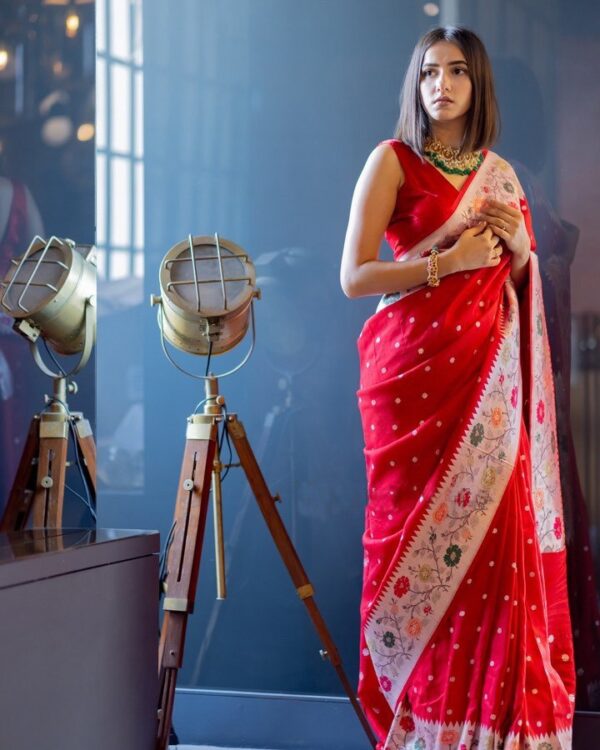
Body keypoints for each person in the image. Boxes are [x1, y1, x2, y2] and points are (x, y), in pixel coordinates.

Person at [340, 26, 575, 750]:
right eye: (429, 73)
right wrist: (445, 260)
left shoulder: (500, 176)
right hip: (411, 382)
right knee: (414, 546)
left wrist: (515, 253)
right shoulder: (392, 162)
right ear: (414, 85)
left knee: (494, 554)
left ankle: (492, 728)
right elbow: (354, 277)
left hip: (489, 392)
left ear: (479, 87)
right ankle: (425, 726)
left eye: (457, 73)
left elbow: (512, 288)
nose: (441, 85)